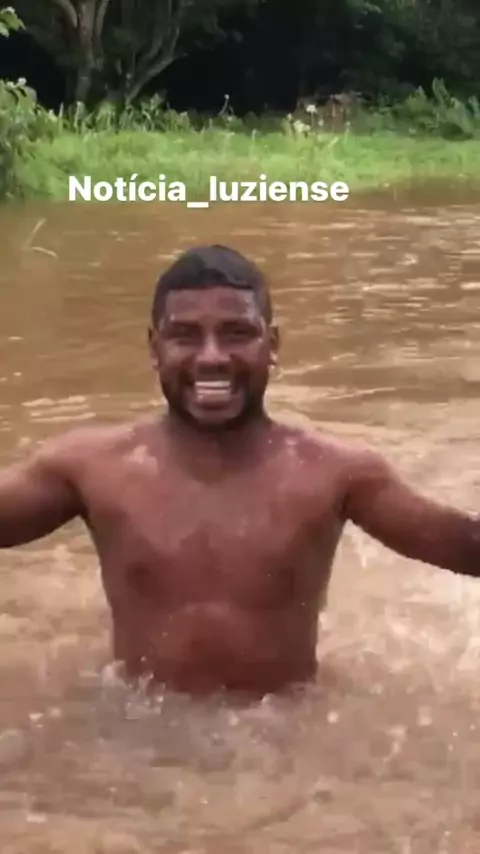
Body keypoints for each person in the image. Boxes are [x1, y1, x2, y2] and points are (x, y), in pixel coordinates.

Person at [0, 244, 479, 698]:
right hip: (133, 731)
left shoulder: (337, 474)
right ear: (154, 348)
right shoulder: (91, 468)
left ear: (272, 344)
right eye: (185, 335)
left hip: (283, 734)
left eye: (236, 333)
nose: (211, 357)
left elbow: (462, 546)